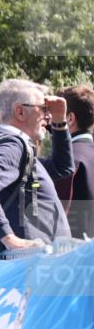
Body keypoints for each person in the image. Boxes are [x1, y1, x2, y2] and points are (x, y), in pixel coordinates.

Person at [0, 79, 74, 257]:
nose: (48, 116)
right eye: (43, 108)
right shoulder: (13, 145)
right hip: (34, 269)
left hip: (37, 267)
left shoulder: (9, 145)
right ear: (20, 112)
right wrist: (11, 240)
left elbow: (62, 168)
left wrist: (60, 123)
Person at [53, 85, 94, 239]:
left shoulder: (68, 161)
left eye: (54, 114)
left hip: (76, 255)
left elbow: (57, 216)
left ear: (69, 118)